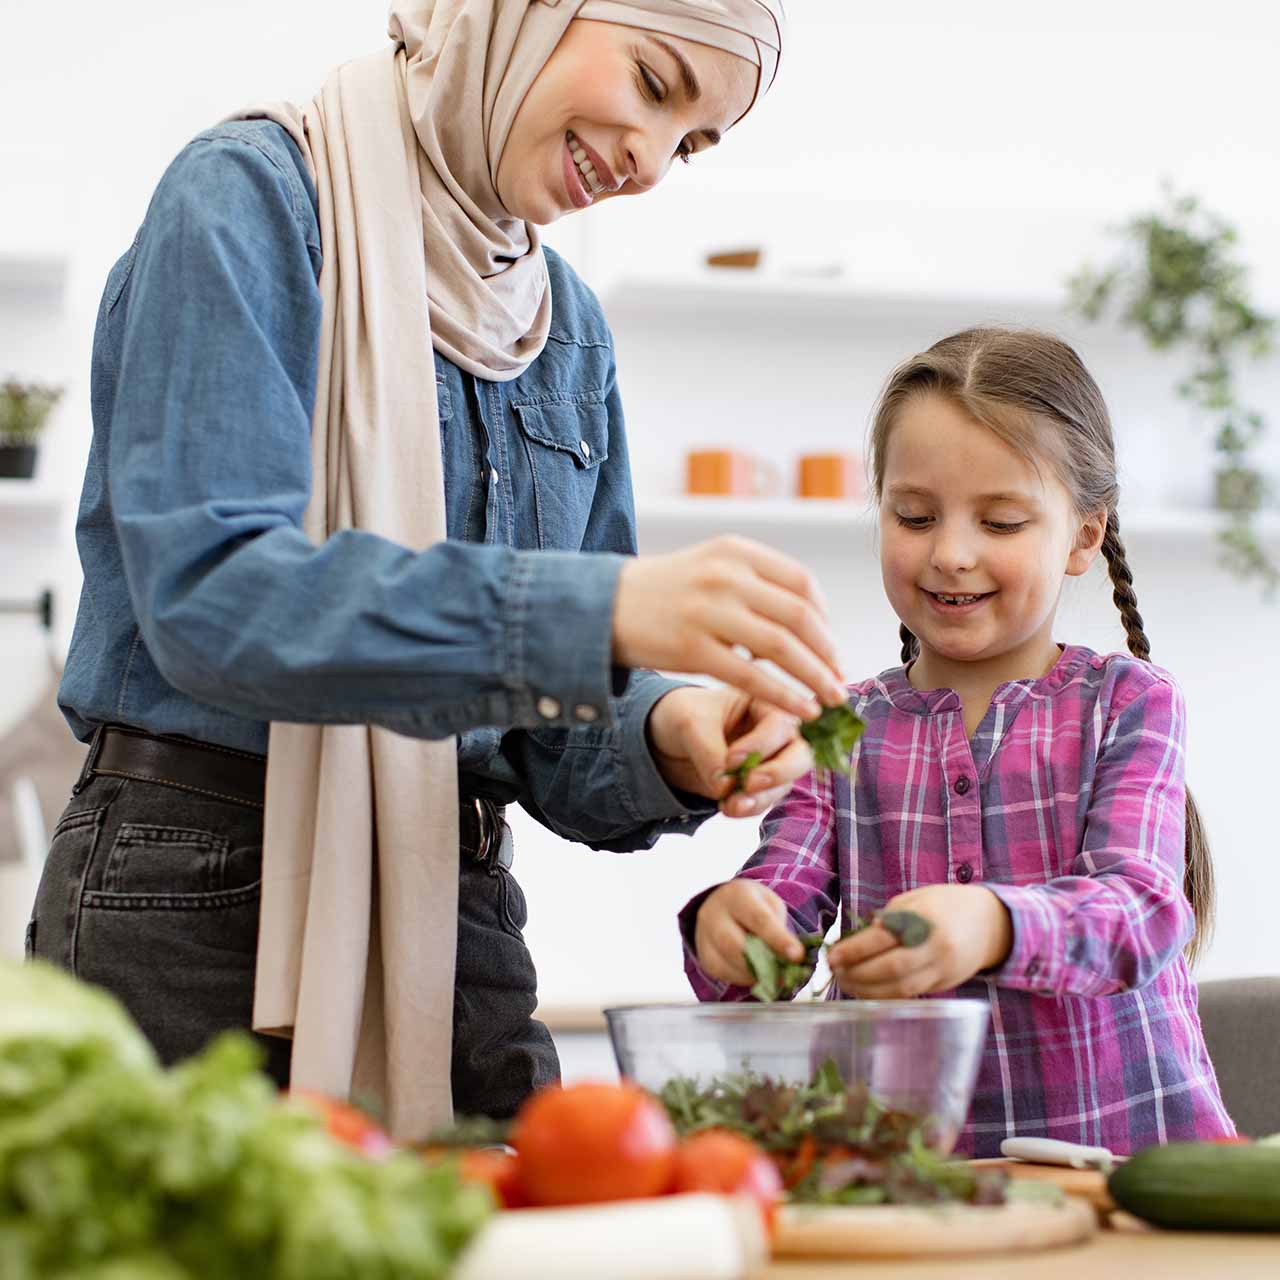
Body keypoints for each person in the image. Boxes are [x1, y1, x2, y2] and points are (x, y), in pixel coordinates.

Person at [29, 1, 839, 1141]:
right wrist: (606, 610)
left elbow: (556, 724)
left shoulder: (566, 331)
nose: (651, 162)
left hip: (449, 912)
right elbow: (215, 600)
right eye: (655, 85)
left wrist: (677, 729)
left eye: (694, 142)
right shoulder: (250, 197)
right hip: (188, 891)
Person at [682, 327, 1236, 1155]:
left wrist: (992, 925)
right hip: (903, 1172)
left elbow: (1139, 911)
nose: (951, 553)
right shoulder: (837, 725)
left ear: (1085, 535)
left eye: (1002, 521)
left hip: (1124, 1168)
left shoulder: (1126, 702)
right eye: (914, 515)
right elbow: (780, 906)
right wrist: (731, 926)